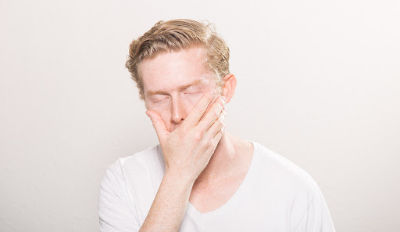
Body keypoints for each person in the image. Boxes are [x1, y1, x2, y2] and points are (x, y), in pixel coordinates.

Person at [98, 19, 336, 232]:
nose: (177, 114)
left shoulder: (294, 189)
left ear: (226, 89)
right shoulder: (124, 181)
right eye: (160, 97)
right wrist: (179, 175)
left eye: (190, 90)